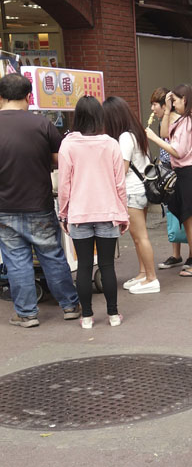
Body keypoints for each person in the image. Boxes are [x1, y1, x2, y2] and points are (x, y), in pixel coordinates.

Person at [0, 72, 80, 326]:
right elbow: (60, 160)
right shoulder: (42, 124)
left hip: (5, 206)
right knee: (52, 255)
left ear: (0, 97)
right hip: (39, 203)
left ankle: (27, 314)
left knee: (16, 261)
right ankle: (70, 306)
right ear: (28, 96)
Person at [57, 95, 128, 329]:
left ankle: (87, 316)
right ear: (100, 116)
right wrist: (123, 213)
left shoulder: (68, 144)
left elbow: (64, 185)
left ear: (77, 116)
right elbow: (120, 184)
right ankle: (114, 315)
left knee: (85, 266)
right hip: (108, 213)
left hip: (79, 214)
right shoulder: (111, 144)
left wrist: (64, 213)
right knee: (107, 265)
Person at [146, 83, 192, 277]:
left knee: (190, 223)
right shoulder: (191, 119)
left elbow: (178, 151)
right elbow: (166, 133)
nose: (172, 105)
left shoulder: (187, 120)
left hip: (188, 174)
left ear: (184, 99)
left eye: (174, 101)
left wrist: (153, 139)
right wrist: (167, 111)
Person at [102, 94, 159, 295]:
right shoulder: (136, 133)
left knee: (140, 236)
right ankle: (143, 273)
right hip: (141, 190)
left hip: (132, 192)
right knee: (137, 237)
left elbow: (122, 169)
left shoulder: (125, 137)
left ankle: (151, 277)